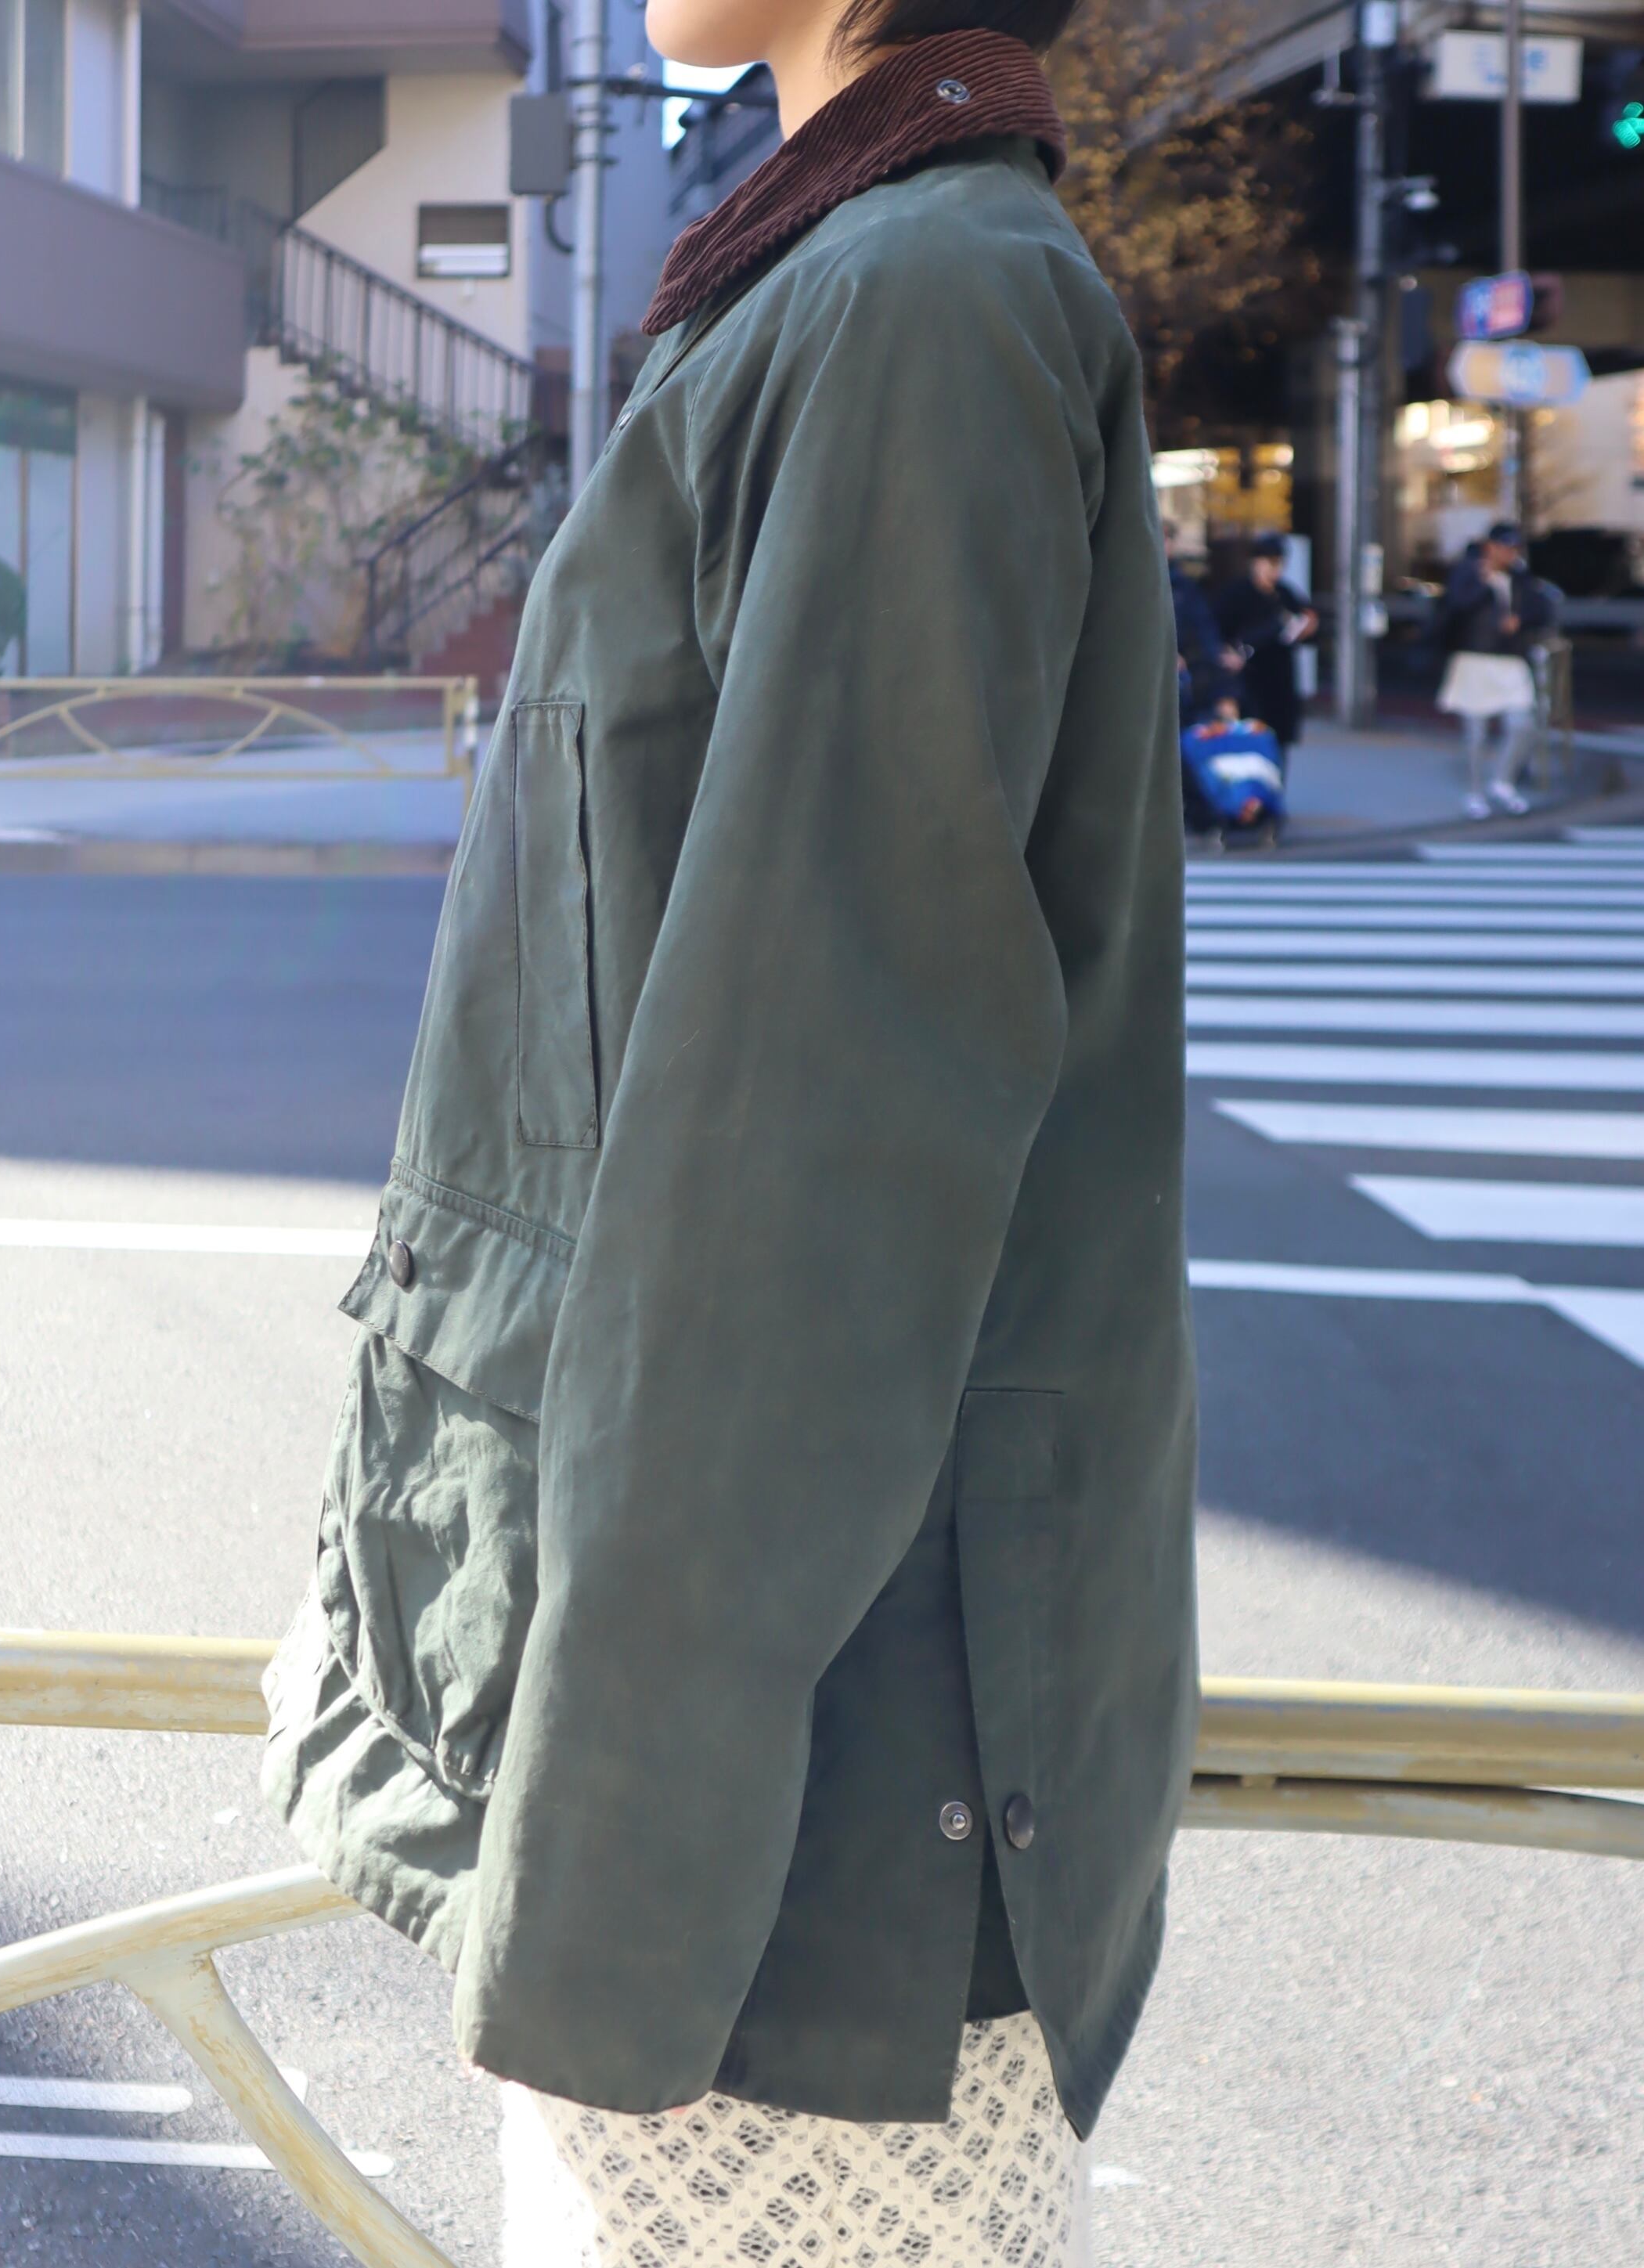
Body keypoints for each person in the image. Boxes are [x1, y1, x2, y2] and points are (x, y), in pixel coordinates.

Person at [261, 0, 1197, 2260]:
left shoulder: (919, 298)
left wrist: (607, 1873)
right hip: (761, 1747)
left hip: (798, 1815)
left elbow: (805, 1146)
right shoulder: (841, 273)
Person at [1437, 521, 1559, 817]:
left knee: (1523, 722)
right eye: (1504, 547)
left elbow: (1542, 608)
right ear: (1489, 547)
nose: (1509, 553)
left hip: (1510, 659)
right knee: (1475, 733)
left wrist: (1520, 619)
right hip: (1474, 658)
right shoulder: (1468, 572)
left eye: (1513, 548)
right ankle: (1475, 792)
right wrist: (1483, 583)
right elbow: (1455, 606)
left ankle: (1502, 781)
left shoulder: (1520, 576)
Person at [1215, 533, 1318, 761]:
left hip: (1280, 682)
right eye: (1270, 563)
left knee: (1278, 749)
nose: (1275, 570)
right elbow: (1217, 633)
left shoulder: (1286, 595)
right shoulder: (1236, 594)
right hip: (1248, 682)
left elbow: (1306, 627)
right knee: (1248, 747)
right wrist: (1228, 655)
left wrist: (1308, 628)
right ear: (1256, 562)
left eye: (1279, 563)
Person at [1165, 518, 1242, 723]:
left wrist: (1218, 655)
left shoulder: (1185, 587)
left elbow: (1204, 629)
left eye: (1168, 537)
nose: (1164, 544)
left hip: (1187, 674)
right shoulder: (1136, 585)